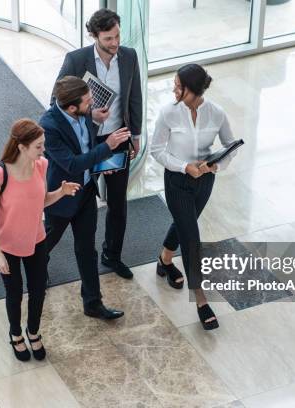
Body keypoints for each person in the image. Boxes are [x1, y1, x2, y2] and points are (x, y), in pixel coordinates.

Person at [54, 8, 143, 280]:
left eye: (117, 36)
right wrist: (89, 113)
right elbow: (55, 103)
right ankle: (40, 256)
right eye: (108, 39)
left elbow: (134, 97)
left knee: (118, 203)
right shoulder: (76, 60)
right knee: (70, 206)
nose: (115, 43)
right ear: (94, 36)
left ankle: (112, 255)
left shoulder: (128, 56)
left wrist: (135, 135)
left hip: (116, 139)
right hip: (85, 144)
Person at [150, 64, 238, 331]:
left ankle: (165, 260)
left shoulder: (216, 114)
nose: (174, 90)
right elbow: (156, 150)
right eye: (175, 84)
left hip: (204, 181)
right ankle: (200, 299)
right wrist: (183, 166)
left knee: (183, 223)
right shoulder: (168, 113)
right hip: (177, 180)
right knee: (191, 236)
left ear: (195, 90)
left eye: (179, 86)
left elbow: (230, 147)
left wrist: (216, 166)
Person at [0, 118, 81, 361]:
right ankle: (16, 334)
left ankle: (33, 331)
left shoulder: (41, 166)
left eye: (43, 145)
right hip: (6, 245)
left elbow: (40, 200)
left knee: (38, 290)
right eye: (38, 146)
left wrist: (61, 192)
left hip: (36, 239)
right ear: (22, 147)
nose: (43, 150)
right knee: (14, 293)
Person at [40, 76, 131, 319]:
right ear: (71, 107)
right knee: (46, 242)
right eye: (88, 102)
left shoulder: (85, 115)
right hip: (61, 195)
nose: (93, 104)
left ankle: (93, 303)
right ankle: (36, 268)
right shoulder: (49, 126)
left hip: (86, 191)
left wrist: (101, 163)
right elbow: (71, 164)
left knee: (86, 250)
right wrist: (107, 147)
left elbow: (86, 151)